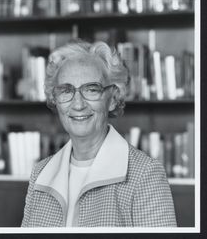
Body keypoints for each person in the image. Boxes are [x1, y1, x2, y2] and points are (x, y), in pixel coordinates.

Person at [21, 40, 177, 227]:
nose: (78, 104)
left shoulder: (145, 175)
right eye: (66, 90)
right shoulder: (40, 174)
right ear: (56, 100)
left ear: (112, 99)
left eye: (92, 89)